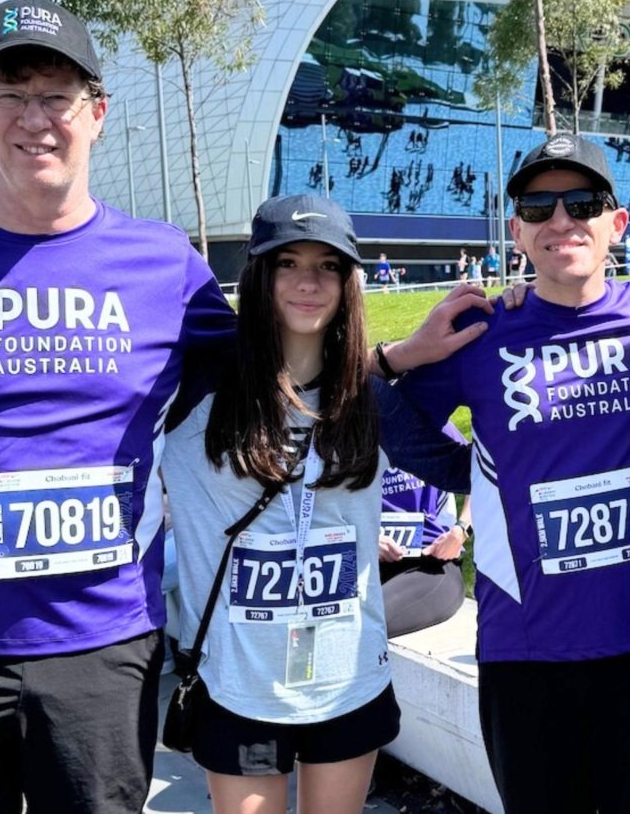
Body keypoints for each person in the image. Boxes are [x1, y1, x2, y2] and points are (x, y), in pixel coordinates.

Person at [0, 0, 237, 813]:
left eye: (55, 95)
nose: (35, 118)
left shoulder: (167, 266)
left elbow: (271, 381)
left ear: (95, 113)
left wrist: (394, 358)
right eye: (10, 93)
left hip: (101, 649)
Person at [379, 133, 630, 813]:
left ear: (617, 223)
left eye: (583, 202)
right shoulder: (481, 331)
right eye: (539, 207)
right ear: (517, 232)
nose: (561, 220)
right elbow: (383, 417)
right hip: (525, 654)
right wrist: (407, 360)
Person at [162, 195, 470, 814]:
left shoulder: (370, 401)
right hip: (236, 685)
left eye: (329, 265)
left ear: (349, 281)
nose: (308, 281)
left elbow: (472, 470)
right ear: (258, 274)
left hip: (347, 680)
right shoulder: (193, 390)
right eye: (287, 263)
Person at [378, 423, 472, 638]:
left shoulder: (432, 421)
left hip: (430, 563)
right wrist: (367, 539)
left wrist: (460, 531)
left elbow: (483, 473)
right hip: (365, 563)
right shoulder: (346, 429)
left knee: (363, 625)